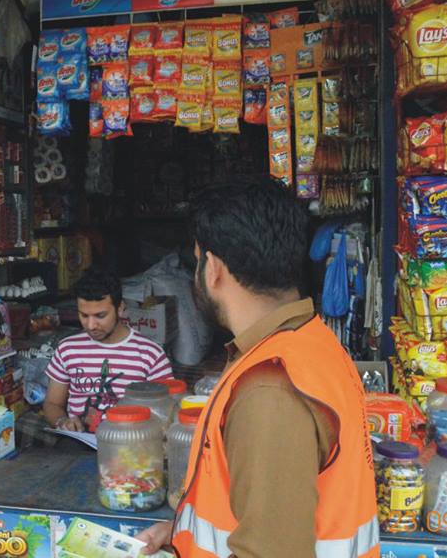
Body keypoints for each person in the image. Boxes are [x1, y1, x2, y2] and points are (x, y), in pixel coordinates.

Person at [137, 178, 379, 558]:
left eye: (198, 259)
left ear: (213, 268)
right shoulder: (310, 341)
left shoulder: (270, 387)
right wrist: (180, 531)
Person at [43, 268, 174, 432]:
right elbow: (52, 404)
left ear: (120, 308)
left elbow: (166, 413)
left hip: (130, 447)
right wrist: (63, 422)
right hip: (78, 445)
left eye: (100, 316)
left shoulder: (151, 354)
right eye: (84, 315)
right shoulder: (67, 349)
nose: (91, 325)